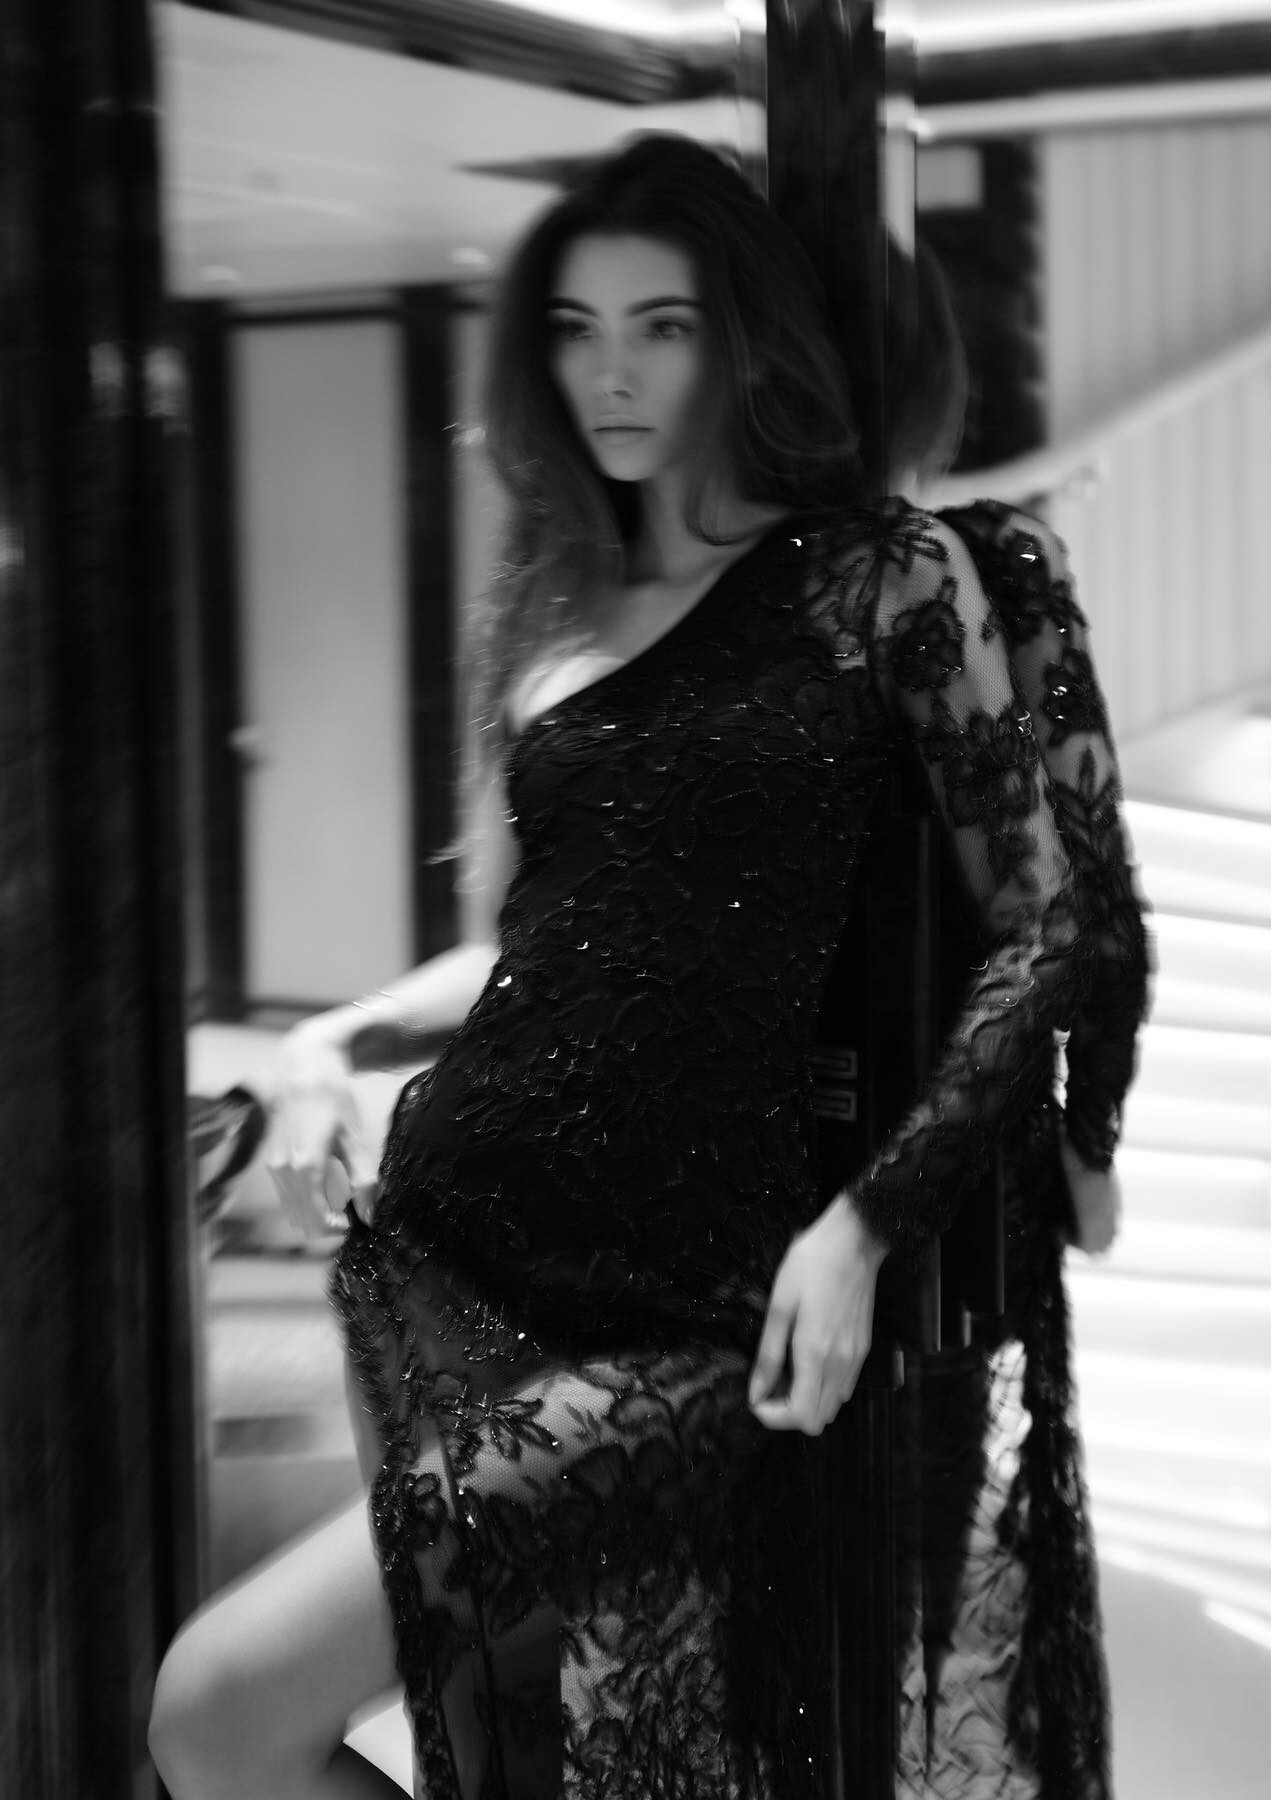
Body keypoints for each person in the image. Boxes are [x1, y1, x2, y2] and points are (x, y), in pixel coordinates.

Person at [150, 134, 1105, 1800]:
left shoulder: (884, 578)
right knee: (500, 1762)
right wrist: (329, 1040)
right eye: (578, 330)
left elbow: (1045, 931)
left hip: (691, 1315)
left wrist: (865, 1224)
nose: (613, 373)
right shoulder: (549, 606)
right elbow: (521, 947)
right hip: (441, 1261)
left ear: (740, 343)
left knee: (216, 1712)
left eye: (662, 327)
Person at [877, 230, 1152, 1799]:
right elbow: (1098, 899)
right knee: (898, 1607)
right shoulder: (996, 563)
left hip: (900, 1180)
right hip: (931, 1186)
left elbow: (1086, 907)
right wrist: (1089, 1140)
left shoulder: (958, 567)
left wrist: (1085, 1133)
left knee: (866, 1602)